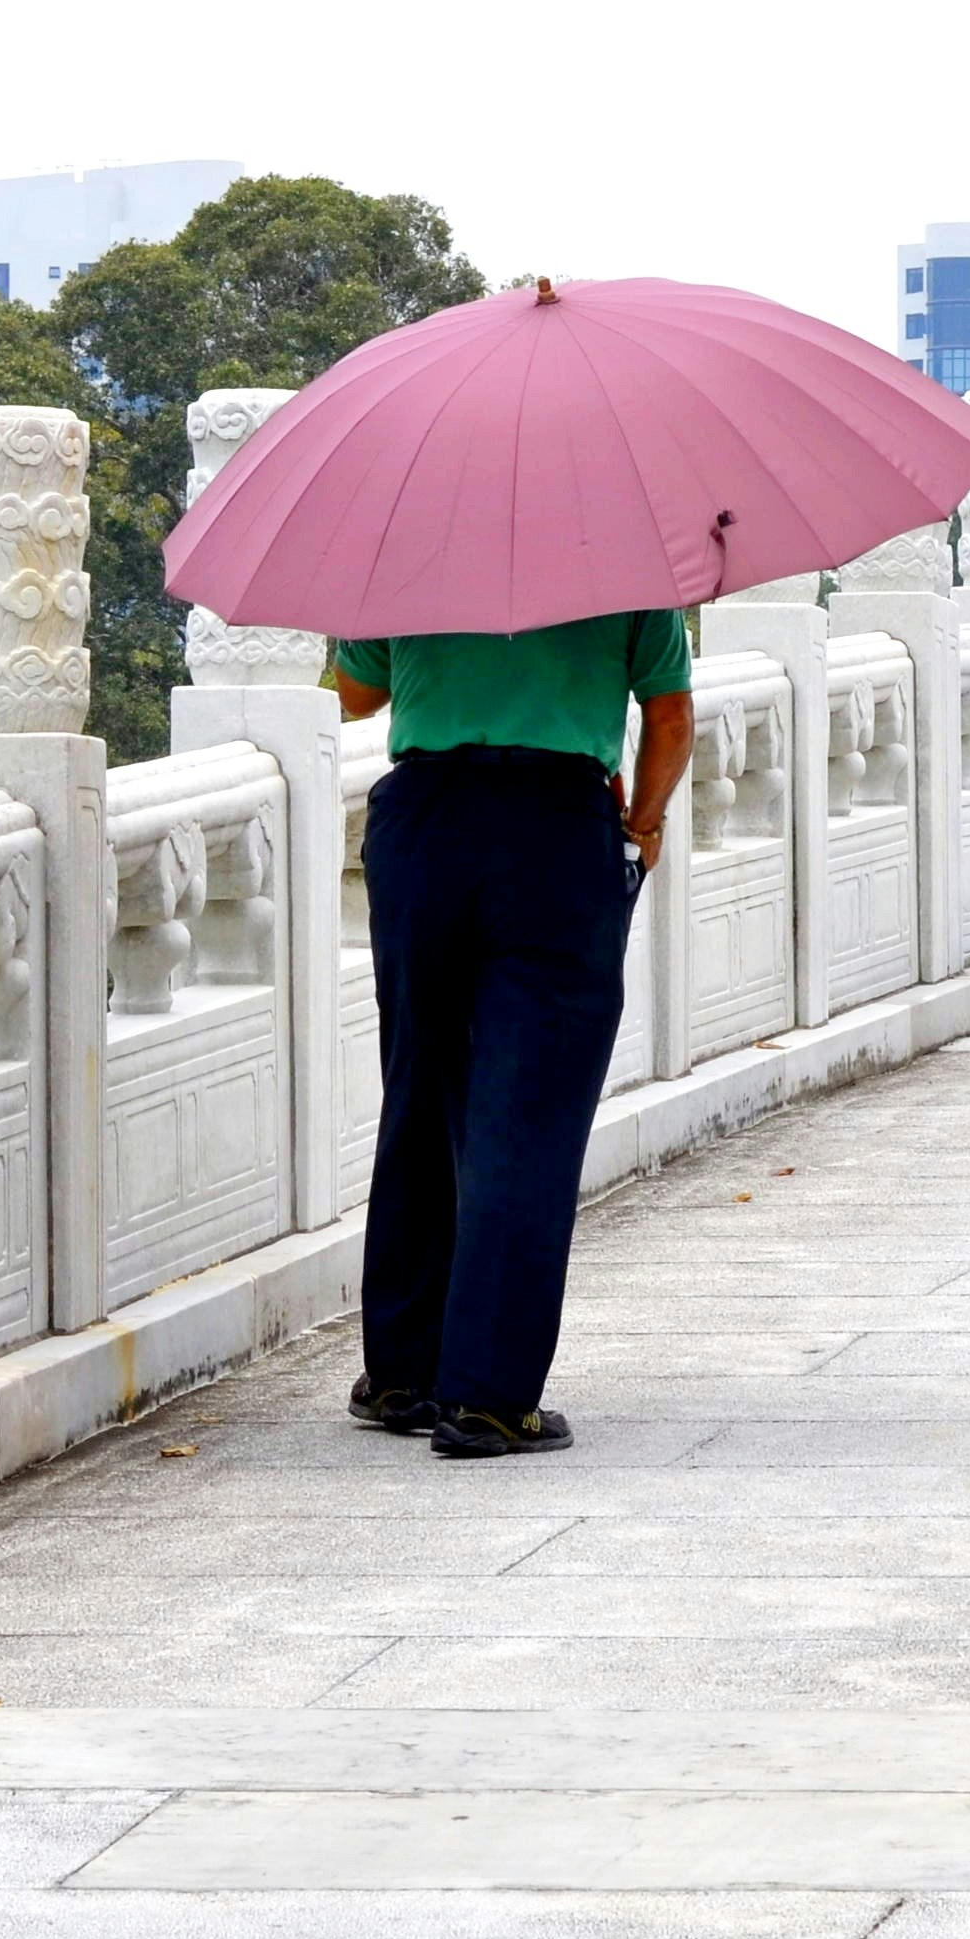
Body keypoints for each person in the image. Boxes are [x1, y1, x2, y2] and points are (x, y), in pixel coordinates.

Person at [325, 609, 694, 1457]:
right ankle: (488, 1399)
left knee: (420, 1087)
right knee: (526, 1113)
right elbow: (670, 717)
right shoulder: (633, 567)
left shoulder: (406, 545)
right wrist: (643, 822)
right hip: (557, 832)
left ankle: (402, 1377)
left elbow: (356, 696)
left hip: (424, 828)